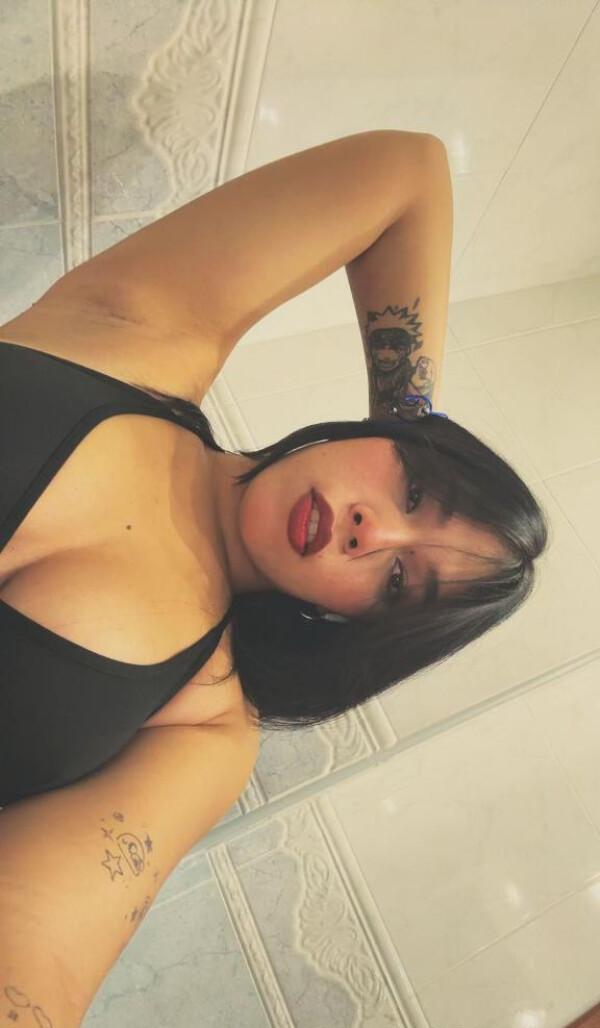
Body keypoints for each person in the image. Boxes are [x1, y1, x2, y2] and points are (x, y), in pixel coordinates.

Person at [0, 130, 548, 1022]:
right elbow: (408, 174)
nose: (374, 532)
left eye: (398, 581)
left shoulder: (204, 725)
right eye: (412, 489)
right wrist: (411, 422)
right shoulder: (144, 336)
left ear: (358, 624)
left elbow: (39, 951)